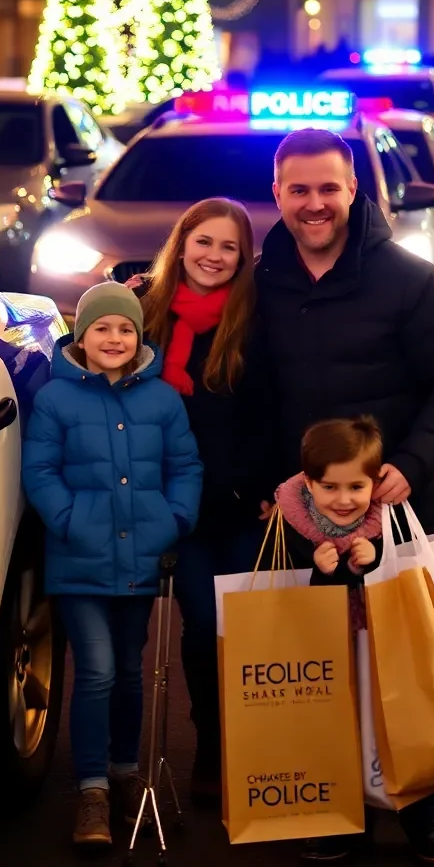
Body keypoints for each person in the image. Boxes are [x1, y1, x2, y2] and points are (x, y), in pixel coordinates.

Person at [256, 127, 434, 864]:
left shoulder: (410, 280)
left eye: (329, 188)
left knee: (410, 669)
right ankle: (329, 806)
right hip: (303, 522)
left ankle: (426, 811)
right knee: (317, 676)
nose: (315, 203)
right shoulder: (258, 286)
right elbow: (240, 390)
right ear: (278, 194)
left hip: (403, 513)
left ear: (355, 190)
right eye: (300, 189)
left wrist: (411, 465)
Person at [21, 282, 203, 849]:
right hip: (80, 557)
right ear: (81, 336)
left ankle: (127, 771)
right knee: (95, 670)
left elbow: (186, 466)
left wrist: (175, 519)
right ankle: (93, 788)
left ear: (139, 336)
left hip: (143, 554)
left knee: (131, 669)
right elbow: (41, 471)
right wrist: (70, 519)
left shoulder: (162, 400)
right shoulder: (56, 398)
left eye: (125, 328)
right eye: (102, 328)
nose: (115, 338)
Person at [126, 197, 270, 806]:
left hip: (236, 502)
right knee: (203, 623)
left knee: (239, 632)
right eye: (204, 242)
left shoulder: (254, 321)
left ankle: (241, 747)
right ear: (181, 244)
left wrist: (262, 484)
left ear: (243, 258)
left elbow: (270, 411)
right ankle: (210, 746)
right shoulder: (145, 314)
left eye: (229, 247)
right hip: (172, 508)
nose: (214, 256)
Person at [276, 416, 385, 611]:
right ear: (309, 484)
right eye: (329, 487)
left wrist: (372, 562)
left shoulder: (385, 525)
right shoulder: (290, 528)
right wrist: (321, 572)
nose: (344, 500)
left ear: (374, 485)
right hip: (316, 636)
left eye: (356, 487)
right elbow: (285, 596)